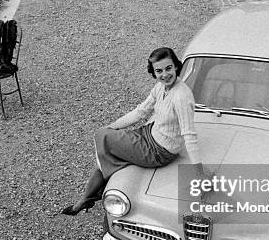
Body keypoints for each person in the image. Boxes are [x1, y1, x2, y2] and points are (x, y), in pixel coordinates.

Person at [62, 47, 207, 215]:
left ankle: (85, 200)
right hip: (149, 134)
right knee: (105, 145)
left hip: (159, 151)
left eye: (168, 68)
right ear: (153, 72)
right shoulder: (160, 88)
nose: (165, 75)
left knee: (101, 137)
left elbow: (189, 135)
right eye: (159, 71)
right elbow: (141, 111)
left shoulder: (182, 96)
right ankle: (84, 200)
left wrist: (199, 173)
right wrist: (114, 125)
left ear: (176, 66)